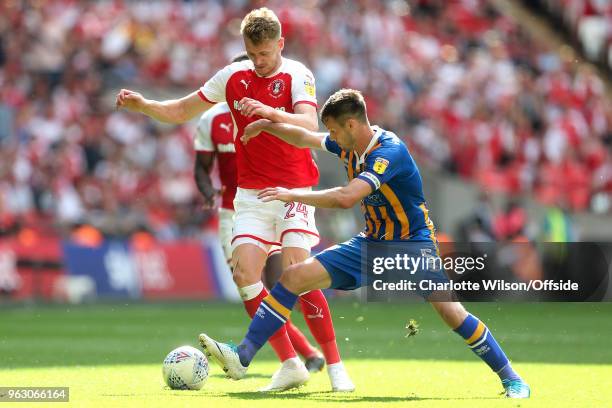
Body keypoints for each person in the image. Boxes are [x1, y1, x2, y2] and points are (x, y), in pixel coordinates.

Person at [199, 89, 531, 398]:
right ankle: (242, 357)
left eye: (333, 130)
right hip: (370, 243)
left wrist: (293, 194)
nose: (330, 138)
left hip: (411, 246)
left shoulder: (388, 152)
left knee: (450, 311)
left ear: (352, 124)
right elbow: (304, 137)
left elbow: (346, 198)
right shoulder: (348, 143)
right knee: (293, 277)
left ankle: (511, 377)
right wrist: (266, 126)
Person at [115, 7, 351, 392]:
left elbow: (310, 123)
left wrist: (268, 113)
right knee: (244, 274)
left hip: (293, 189)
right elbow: (182, 109)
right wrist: (145, 106)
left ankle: (337, 367)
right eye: (252, 53)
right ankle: (290, 363)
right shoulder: (231, 76)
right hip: (252, 195)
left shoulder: (297, 74)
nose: (259, 62)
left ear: (280, 44)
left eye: (266, 54)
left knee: (298, 274)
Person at [193, 52, 325, 373]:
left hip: (276, 199)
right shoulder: (211, 120)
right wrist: (208, 191)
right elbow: (201, 167)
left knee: (286, 277)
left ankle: (297, 356)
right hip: (234, 213)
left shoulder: (270, 111)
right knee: (250, 283)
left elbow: (304, 132)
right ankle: (301, 354)